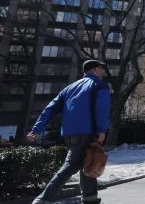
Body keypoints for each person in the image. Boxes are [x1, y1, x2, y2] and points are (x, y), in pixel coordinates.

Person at [27, 59, 110, 204]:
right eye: (101, 69)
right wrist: (102, 130)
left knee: (89, 162)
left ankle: (90, 199)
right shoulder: (99, 85)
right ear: (96, 70)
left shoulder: (69, 88)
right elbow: (101, 110)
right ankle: (43, 199)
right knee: (71, 165)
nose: (101, 72)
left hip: (69, 134)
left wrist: (36, 129)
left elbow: (50, 109)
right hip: (87, 132)